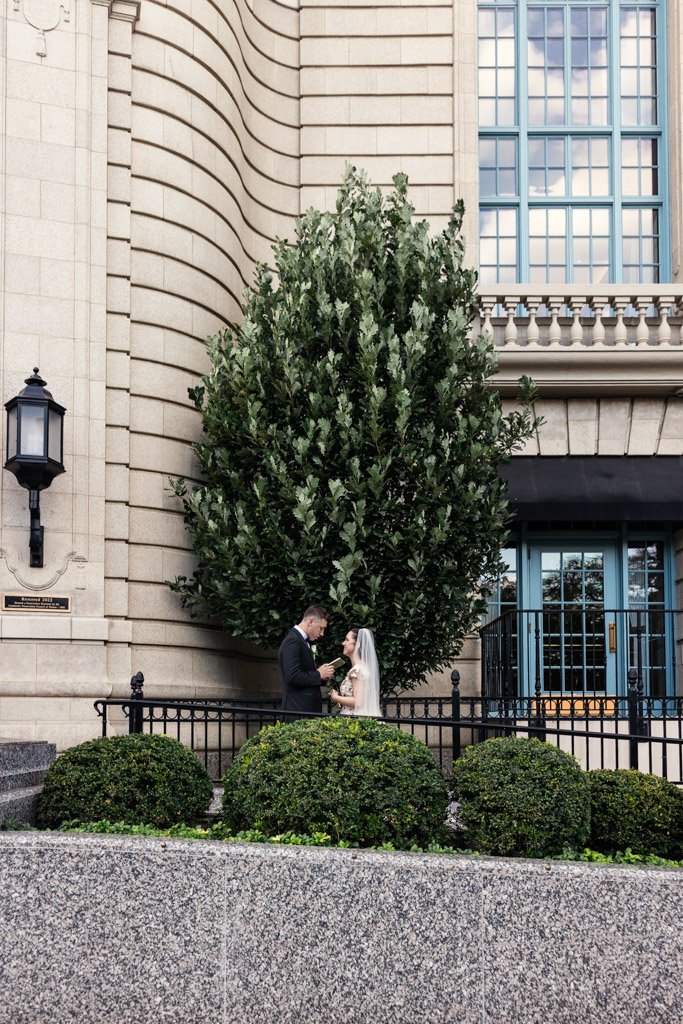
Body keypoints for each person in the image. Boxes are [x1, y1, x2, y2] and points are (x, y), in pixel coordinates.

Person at [278, 604, 336, 720]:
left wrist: (322, 676)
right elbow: (293, 676)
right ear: (310, 621)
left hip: (304, 711)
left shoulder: (300, 640)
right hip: (298, 712)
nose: (322, 634)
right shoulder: (293, 641)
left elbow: (303, 674)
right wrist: (318, 674)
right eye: (321, 628)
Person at [329, 627, 381, 717]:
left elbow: (358, 702)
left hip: (354, 719)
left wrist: (336, 697)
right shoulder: (364, 667)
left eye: (347, 640)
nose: (343, 643)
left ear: (358, 644)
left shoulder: (357, 670)